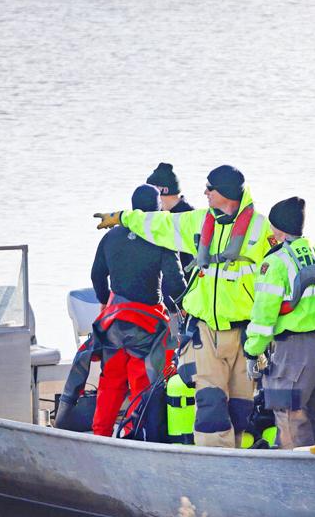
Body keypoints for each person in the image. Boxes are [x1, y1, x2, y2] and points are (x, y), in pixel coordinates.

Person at [95, 165, 272, 447]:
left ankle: (236, 465)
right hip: (207, 333)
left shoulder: (262, 229)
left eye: (210, 188)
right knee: (211, 407)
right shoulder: (199, 221)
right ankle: (213, 469)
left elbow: (283, 273)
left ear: (225, 193)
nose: (205, 192)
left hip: (245, 335)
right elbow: (159, 225)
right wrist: (121, 217)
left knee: (241, 410)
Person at [243, 197, 315, 448]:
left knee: (291, 415)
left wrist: (253, 351)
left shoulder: (277, 262)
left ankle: (301, 483)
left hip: (293, 351)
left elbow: (264, 316)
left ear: (279, 230)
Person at [89, 184, 185, 437]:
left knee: (110, 382)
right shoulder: (161, 237)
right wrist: (182, 308)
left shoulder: (111, 237)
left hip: (114, 321)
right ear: (158, 208)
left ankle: (100, 434)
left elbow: (97, 275)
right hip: (146, 323)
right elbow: (174, 283)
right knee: (142, 383)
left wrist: (103, 301)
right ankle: (134, 434)